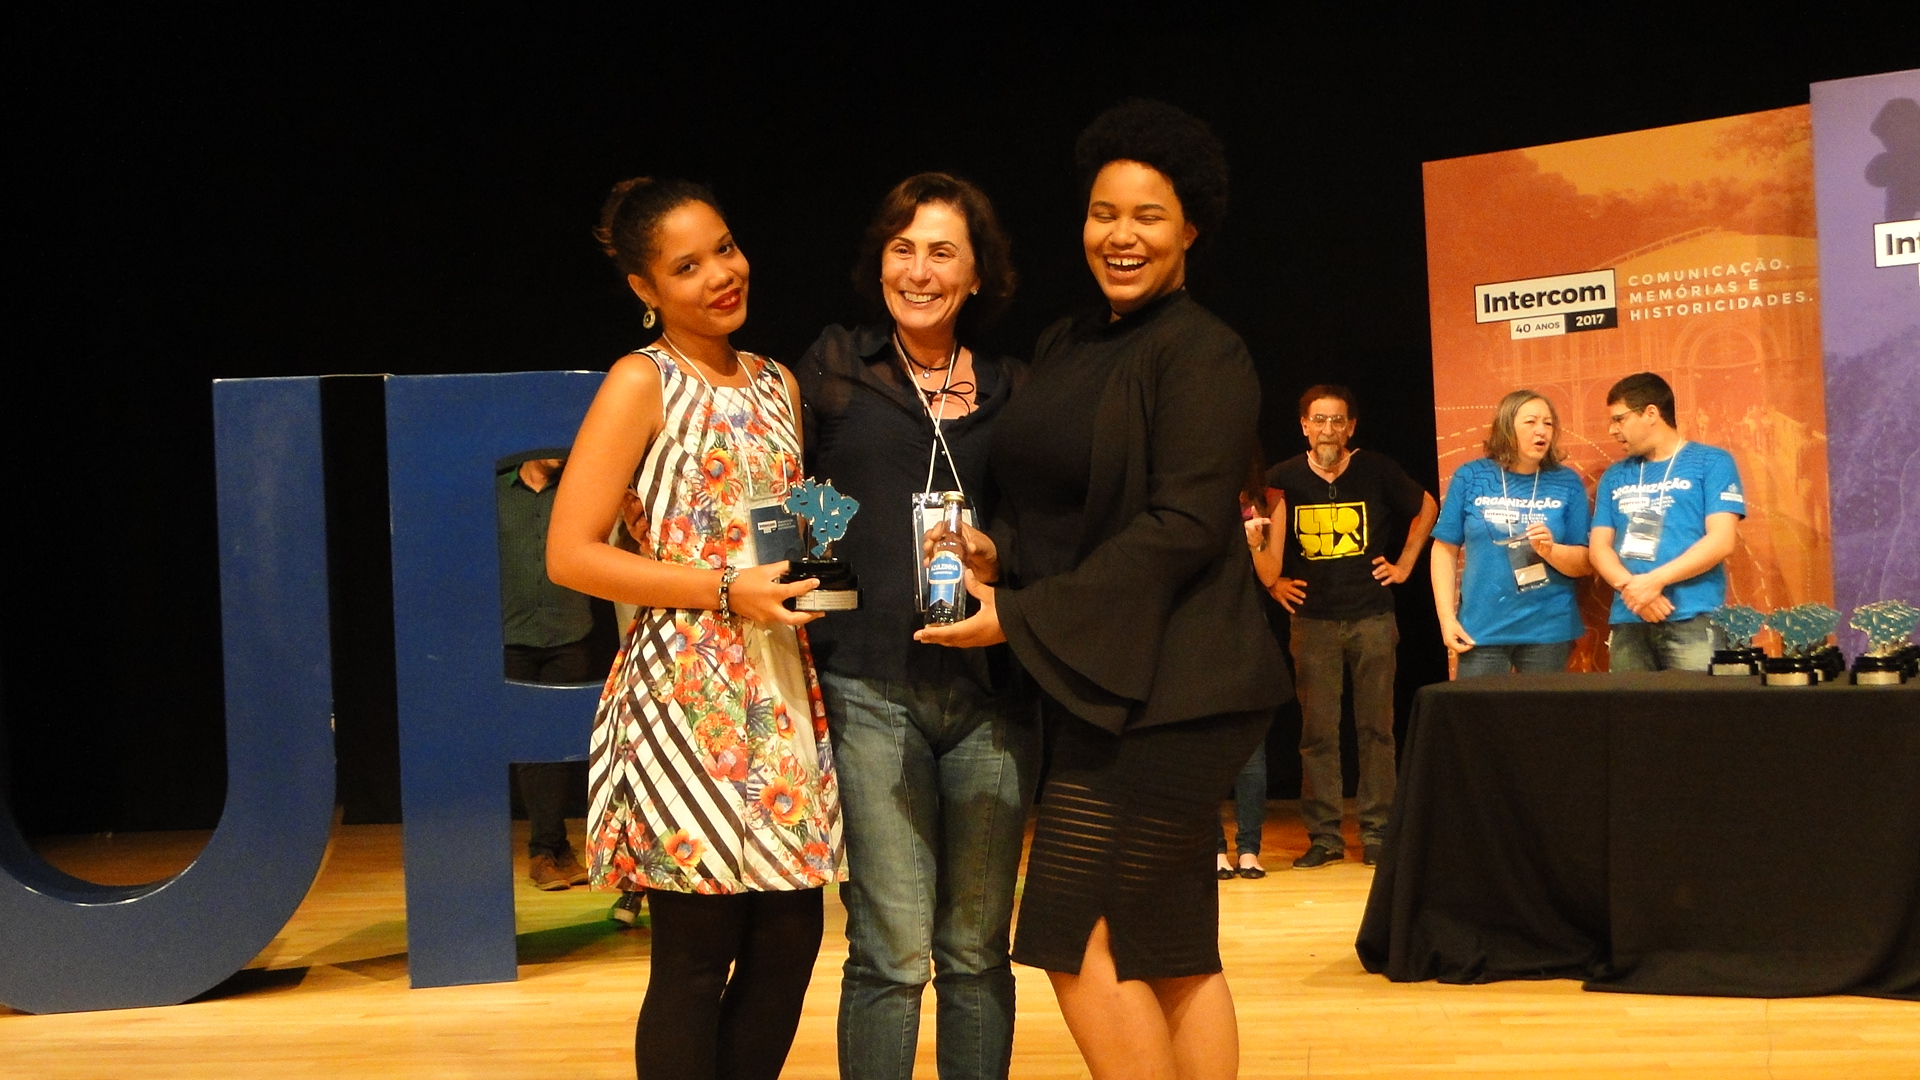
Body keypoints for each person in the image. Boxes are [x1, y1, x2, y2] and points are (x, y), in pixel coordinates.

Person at [917, 98, 1289, 1080]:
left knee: (1071, 931)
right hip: (1109, 680)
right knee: (1168, 945)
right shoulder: (1069, 341)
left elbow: (1182, 527)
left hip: (1180, 689)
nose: (1121, 235)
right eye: (1103, 212)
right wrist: (998, 554)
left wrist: (1021, 616)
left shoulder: (1204, 351)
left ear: (1190, 229)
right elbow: (1059, 505)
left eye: (1148, 216)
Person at [546, 176, 846, 1080]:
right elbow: (570, 553)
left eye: (725, 247)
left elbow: (781, 527)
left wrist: (832, 559)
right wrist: (722, 588)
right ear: (645, 289)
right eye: (687, 266)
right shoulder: (642, 380)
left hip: (779, 686)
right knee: (695, 953)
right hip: (684, 694)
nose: (721, 274)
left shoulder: (777, 381)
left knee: (791, 939)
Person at [795, 173, 1039, 1080]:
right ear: (879, 264)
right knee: (891, 950)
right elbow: (787, 493)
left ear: (977, 275)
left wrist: (999, 550)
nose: (920, 270)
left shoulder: (1016, 388)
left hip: (992, 698)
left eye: (942, 252)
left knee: (976, 950)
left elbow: (1048, 521)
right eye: (903, 249)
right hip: (869, 686)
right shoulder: (836, 365)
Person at [1267, 385, 1437, 870]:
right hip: (1312, 622)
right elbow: (1252, 528)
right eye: (1319, 420)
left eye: (1337, 420)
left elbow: (1426, 506)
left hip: (1372, 617)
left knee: (1376, 730)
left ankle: (1378, 832)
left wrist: (1405, 564)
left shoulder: (1376, 469)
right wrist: (1273, 583)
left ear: (1351, 427)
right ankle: (1324, 837)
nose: (1328, 429)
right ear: (1304, 425)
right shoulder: (1282, 478)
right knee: (1318, 733)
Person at [1589, 372, 1745, 671]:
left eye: (1620, 419)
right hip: (1630, 618)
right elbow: (1599, 548)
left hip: (1693, 617)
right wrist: (1635, 591)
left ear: (1651, 413)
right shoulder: (1615, 475)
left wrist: (1656, 581)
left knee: (1694, 701)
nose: (1612, 430)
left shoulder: (1712, 462)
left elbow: (1722, 540)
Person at [1429, 392, 1593, 676]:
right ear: (1506, 427)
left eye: (1548, 423)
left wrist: (1551, 550)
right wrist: (1446, 619)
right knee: (1479, 707)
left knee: (1545, 707)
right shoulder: (1471, 476)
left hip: (1548, 630)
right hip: (1481, 630)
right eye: (1530, 422)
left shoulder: (1566, 481)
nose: (1541, 431)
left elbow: (1585, 562)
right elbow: (1444, 550)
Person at [496, 452, 595, 891]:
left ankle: (556, 847)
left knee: (562, 745)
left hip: (569, 631)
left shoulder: (580, 491)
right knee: (530, 747)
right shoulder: (496, 492)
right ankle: (544, 850)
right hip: (511, 634)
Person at [1218, 466, 1283, 882]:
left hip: (1247, 629)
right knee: (1204, 746)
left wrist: (1256, 544)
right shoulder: (1195, 494)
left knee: (1250, 748)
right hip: (1201, 627)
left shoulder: (1270, 500)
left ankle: (1249, 849)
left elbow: (1271, 575)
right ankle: (1213, 849)